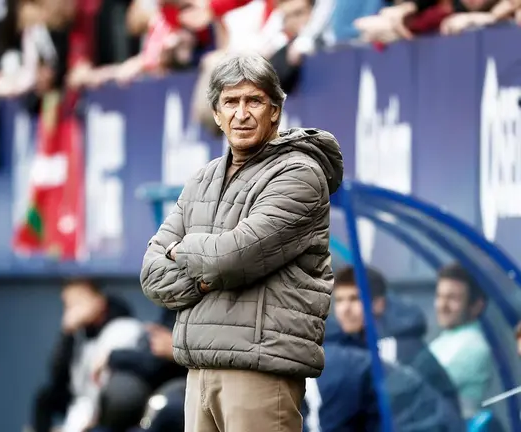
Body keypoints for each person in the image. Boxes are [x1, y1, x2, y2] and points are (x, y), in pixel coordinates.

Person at [140, 52, 344, 431]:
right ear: (216, 114)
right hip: (199, 370)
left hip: (260, 371)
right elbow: (152, 275)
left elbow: (231, 258)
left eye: (254, 100)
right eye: (230, 102)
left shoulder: (299, 172)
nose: (242, 113)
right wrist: (206, 270)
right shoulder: (202, 179)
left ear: (276, 110)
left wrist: (181, 252)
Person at [329, 266, 460, 409]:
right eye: (339, 300)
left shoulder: (403, 351)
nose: (345, 309)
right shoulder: (344, 347)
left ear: (379, 304)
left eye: (355, 299)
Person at [30, 279, 145, 432]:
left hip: (116, 404)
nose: (72, 311)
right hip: (83, 402)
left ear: (99, 301)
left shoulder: (124, 328)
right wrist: (66, 335)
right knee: (44, 398)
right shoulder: (78, 335)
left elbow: (112, 384)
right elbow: (58, 379)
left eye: (77, 302)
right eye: (68, 305)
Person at [429, 263, 492, 418]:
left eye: (452, 298)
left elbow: (423, 385)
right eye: (439, 296)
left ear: (476, 306)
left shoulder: (474, 346)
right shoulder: (444, 340)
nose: (442, 305)